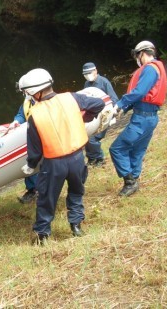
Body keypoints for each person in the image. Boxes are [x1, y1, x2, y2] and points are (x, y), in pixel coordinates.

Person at [19, 69, 105, 245]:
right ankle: (76, 226)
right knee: (76, 191)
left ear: (36, 92)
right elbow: (98, 104)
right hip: (77, 159)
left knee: (47, 198)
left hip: (54, 164)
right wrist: (85, 118)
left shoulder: (35, 115)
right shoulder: (71, 98)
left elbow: (35, 149)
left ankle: (43, 235)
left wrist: (30, 165)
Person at [109, 41, 167, 197]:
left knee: (117, 148)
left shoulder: (149, 69)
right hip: (150, 117)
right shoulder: (157, 67)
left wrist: (120, 104)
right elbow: (142, 97)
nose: (137, 59)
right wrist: (124, 109)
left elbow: (140, 92)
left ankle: (130, 182)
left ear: (142, 54)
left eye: (137, 55)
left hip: (142, 118)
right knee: (137, 150)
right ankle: (134, 178)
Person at [82, 62, 120, 167]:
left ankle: (99, 159)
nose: (87, 75)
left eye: (89, 73)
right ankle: (91, 159)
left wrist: (112, 114)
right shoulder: (87, 84)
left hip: (104, 115)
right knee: (86, 135)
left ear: (95, 71)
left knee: (93, 138)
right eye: (85, 74)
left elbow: (114, 99)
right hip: (93, 115)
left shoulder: (103, 82)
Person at [8, 86, 39, 204]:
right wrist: (16, 121)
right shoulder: (27, 101)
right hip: (30, 135)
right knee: (29, 161)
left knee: (39, 162)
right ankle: (32, 189)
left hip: (41, 134)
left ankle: (40, 189)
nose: (24, 93)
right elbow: (21, 114)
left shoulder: (43, 101)